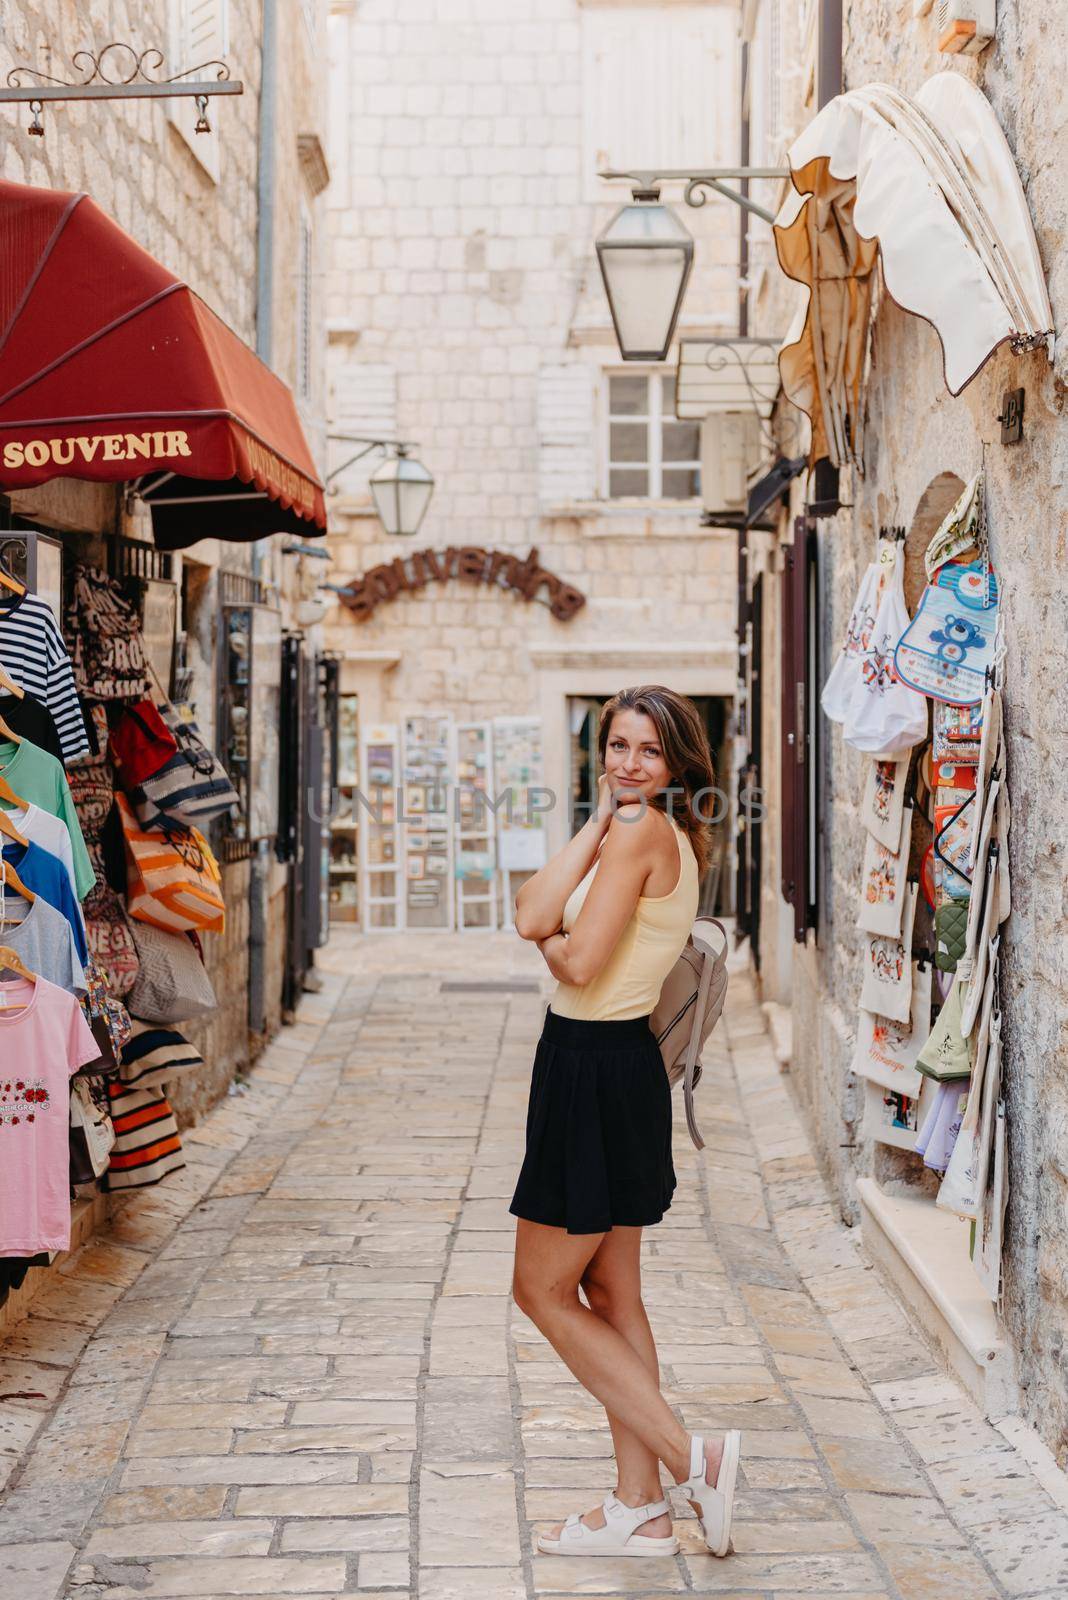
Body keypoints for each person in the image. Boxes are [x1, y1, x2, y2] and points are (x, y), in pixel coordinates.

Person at [510, 684, 740, 1560]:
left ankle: (693, 1459)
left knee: (538, 1290)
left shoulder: (642, 834)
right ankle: (640, 1507)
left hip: (590, 1069)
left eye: (647, 751)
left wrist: (607, 831)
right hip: (617, 1071)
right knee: (613, 1294)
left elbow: (562, 946)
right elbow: (547, 918)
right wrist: (602, 815)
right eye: (616, 747)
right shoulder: (639, 827)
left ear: (677, 761)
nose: (629, 763)